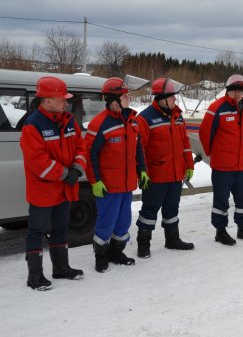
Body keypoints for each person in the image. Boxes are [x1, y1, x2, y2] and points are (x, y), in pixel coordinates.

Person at [20, 76, 85, 290]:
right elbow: (38, 162)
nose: (66, 102)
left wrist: (76, 169)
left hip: (64, 188)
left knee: (60, 228)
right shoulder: (32, 126)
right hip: (43, 190)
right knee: (37, 231)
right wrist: (66, 173)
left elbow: (80, 148)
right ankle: (35, 276)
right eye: (62, 99)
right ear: (47, 100)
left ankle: (61, 268)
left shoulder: (68, 121)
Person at [85, 77, 149, 272]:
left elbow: (138, 148)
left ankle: (116, 252)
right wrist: (95, 181)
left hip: (127, 183)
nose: (128, 98)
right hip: (108, 186)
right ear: (113, 99)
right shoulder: (99, 124)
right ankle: (101, 256)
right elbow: (90, 154)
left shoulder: (132, 121)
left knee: (123, 222)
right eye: (124, 96)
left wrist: (143, 169)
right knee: (106, 222)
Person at [135, 78, 195, 258]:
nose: (175, 100)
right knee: (149, 211)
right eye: (172, 98)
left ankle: (172, 239)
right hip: (156, 176)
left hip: (176, 174)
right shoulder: (144, 118)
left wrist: (189, 165)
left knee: (172, 209)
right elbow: (140, 149)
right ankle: (143, 244)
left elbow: (185, 142)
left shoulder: (177, 116)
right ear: (161, 98)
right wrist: (142, 171)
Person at [199, 74, 243, 245]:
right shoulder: (216, 107)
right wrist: (213, 153)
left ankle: (242, 228)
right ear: (228, 91)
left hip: (241, 165)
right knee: (221, 201)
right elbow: (205, 133)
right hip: (223, 166)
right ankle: (220, 231)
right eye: (234, 91)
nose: (238, 94)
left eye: (241, 91)